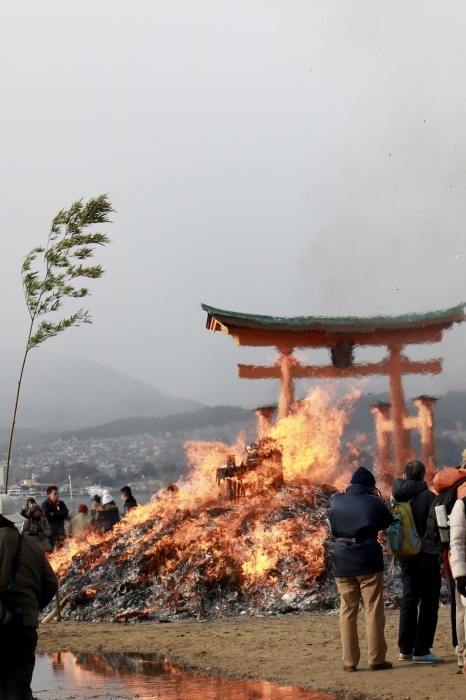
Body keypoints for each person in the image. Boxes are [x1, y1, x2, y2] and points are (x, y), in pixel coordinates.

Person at [329, 466, 394, 672]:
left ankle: (349, 662)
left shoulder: (335, 500)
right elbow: (387, 520)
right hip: (367, 558)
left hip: (342, 558)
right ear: (370, 487)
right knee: (373, 609)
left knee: (348, 611)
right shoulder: (373, 502)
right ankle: (376, 659)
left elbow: (333, 526)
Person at [0, 493, 58, 700]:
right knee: (18, 690)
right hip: (24, 627)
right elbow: (51, 584)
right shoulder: (32, 546)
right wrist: (32, 608)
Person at [392, 460, 443, 664]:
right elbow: (439, 527)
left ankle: (405, 650)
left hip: (405, 555)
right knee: (429, 603)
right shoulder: (429, 497)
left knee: (409, 601)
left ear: (404, 475)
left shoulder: (394, 497)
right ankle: (421, 650)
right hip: (427, 557)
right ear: (423, 476)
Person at [431, 452, 466, 669]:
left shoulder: (451, 485)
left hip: (451, 557)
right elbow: (460, 538)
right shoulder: (463, 492)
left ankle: (459, 652)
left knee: (458, 607)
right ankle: (463, 657)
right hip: (460, 559)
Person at [41, 485, 69, 550]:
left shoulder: (61, 503)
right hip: (51, 531)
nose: (57, 495)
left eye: (57, 493)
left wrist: (54, 514)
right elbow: (46, 515)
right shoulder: (45, 504)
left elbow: (66, 513)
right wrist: (59, 515)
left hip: (60, 530)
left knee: (61, 550)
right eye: (54, 494)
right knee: (49, 550)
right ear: (49, 495)